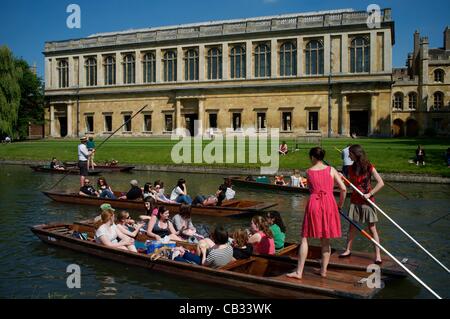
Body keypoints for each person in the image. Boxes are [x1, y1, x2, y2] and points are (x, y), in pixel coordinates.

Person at [287, 147, 347, 280]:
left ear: (313, 157)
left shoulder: (308, 172)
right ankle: (323, 271)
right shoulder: (332, 170)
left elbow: (311, 188)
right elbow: (343, 189)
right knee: (325, 239)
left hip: (314, 203)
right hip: (329, 203)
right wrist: (339, 205)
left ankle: (299, 272)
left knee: (305, 237)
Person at [339, 144, 384, 264]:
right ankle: (348, 250)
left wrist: (370, 194)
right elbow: (349, 185)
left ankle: (378, 255)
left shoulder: (369, 167)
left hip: (367, 201)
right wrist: (342, 178)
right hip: (355, 200)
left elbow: (381, 183)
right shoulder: (350, 168)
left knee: (372, 228)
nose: (348, 156)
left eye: (350, 154)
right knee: (352, 227)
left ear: (356, 154)